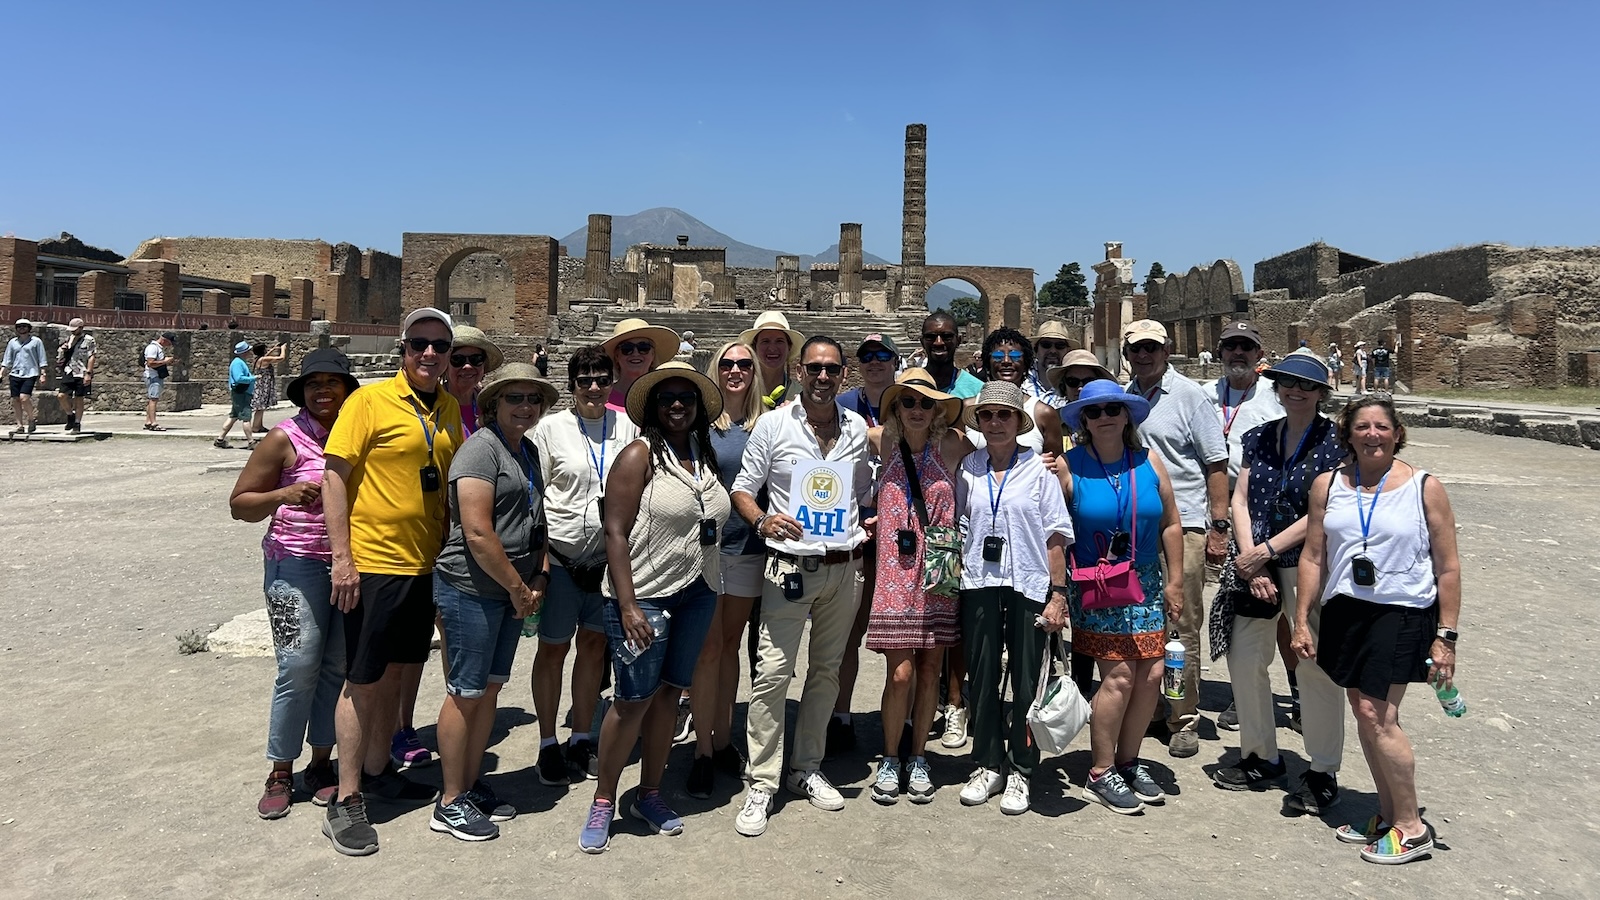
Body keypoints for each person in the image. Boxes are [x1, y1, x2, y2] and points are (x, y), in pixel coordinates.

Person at [1293, 395, 1461, 865]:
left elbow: (1447, 567)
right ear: (1347, 434)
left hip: (1402, 611)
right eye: (1362, 427)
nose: (1372, 434)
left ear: (1397, 433)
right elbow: (1314, 555)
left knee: (1376, 714)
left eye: (1381, 427)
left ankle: (1411, 828)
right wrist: (1302, 617)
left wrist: (1446, 636)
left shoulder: (1424, 486)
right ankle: (1388, 815)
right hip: (1347, 610)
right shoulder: (1328, 485)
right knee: (1362, 707)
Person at [320, 307, 461, 856]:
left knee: (397, 675)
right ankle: (347, 798)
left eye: (440, 346)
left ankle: (378, 771)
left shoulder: (448, 409)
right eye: (419, 344)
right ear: (403, 348)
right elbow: (334, 477)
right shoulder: (368, 401)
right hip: (375, 564)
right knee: (362, 679)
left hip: (425, 566)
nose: (430, 354)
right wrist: (342, 559)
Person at [580, 361, 730, 853]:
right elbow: (615, 530)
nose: (677, 406)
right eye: (667, 398)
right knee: (631, 701)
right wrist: (627, 605)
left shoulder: (700, 453)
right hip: (645, 593)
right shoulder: (639, 455)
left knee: (669, 694)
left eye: (686, 398)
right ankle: (604, 797)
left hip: (698, 590)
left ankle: (649, 792)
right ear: (652, 407)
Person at [729, 336, 873, 838]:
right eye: (814, 368)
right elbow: (743, 489)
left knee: (827, 671)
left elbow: (859, 494)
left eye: (832, 369)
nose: (823, 377)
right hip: (789, 566)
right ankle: (763, 780)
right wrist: (765, 521)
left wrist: (865, 522)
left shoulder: (856, 428)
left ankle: (806, 766)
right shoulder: (773, 424)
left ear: (844, 374)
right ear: (797, 371)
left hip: (843, 565)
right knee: (772, 671)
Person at [229, 348, 362, 821]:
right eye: (313, 383)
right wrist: (282, 493)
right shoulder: (284, 438)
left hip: (352, 565)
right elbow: (240, 503)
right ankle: (281, 767)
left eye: (333, 382)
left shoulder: (359, 433)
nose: (323, 390)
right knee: (298, 662)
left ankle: (321, 763)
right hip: (295, 563)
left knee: (336, 664)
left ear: (348, 388)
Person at [1212, 351, 1347, 816]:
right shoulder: (1259, 437)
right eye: (1287, 382)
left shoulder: (1335, 442)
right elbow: (1242, 497)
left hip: (1308, 563)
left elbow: (1323, 511)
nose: (1296, 390)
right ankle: (1260, 754)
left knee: (1312, 663)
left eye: (1306, 385)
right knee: (1246, 656)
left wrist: (1265, 553)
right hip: (1257, 566)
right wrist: (1252, 560)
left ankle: (1323, 768)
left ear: (1320, 393)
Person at [430, 363, 556, 842]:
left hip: (508, 591)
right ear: (493, 405)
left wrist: (538, 574)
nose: (525, 407)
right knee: (465, 693)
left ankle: (467, 784)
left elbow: (534, 519)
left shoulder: (527, 451)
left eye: (532, 399)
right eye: (514, 399)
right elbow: (478, 532)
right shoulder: (480, 451)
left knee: (491, 690)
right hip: (473, 589)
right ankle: (448, 802)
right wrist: (518, 588)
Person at [1056, 379, 1184, 814]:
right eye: (1094, 412)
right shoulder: (1068, 467)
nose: (1105, 417)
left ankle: (1129, 760)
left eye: (1113, 408)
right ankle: (1101, 768)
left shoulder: (1149, 461)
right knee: (1120, 676)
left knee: (1152, 673)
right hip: (1097, 582)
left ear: (1126, 414)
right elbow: (1052, 532)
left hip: (1145, 579)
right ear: (1084, 422)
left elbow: (1170, 523)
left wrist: (1176, 581)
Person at [953, 380, 1071, 815]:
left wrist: (1058, 595)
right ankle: (986, 761)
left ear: (1019, 422)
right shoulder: (969, 468)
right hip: (980, 582)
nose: (996, 422)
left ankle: (1021, 767)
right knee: (982, 676)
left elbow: (1056, 534)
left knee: (1026, 677)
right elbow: (960, 520)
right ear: (979, 423)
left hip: (1029, 582)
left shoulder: (1039, 470)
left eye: (1005, 415)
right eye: (987, 415)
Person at [530, 345, 640, 786]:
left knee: (594, 649)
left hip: (607, 561)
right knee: (553, 649)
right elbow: (534, 498)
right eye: (584, 380)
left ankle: (580, 735)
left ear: (612, 380)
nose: (593, 387)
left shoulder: (628, 427)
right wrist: (539, 561)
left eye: (601, 379)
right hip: (561, 557)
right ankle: (545, 741)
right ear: (571, 385)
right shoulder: (549, 430)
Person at [1123, 319, 1228, 758]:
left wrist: (1218, 527)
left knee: (1180, 622)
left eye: (1152, 348)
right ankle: (1149, 708)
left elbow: (1216, 463)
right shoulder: (1124, 396)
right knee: (1144, 619)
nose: (1144, 356)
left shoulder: (1190, 396)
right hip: (1137, 526)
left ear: (1166, 351)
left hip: (1183, 524)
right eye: (1137, 349)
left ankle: (1183, 716)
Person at [867, 369, 968, 805]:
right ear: (895, 408)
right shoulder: (881, 443)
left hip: (938, 572)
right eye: (908, 402)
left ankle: (918, 755)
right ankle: (891, 756)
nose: (917, 410)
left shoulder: (952, 445)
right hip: (894, 575)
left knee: (930, 672)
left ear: (938, 410)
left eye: (927, 403)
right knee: (901, 672)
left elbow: (1010, 442)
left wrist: (1049, 457)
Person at [686, 341, 767, 798]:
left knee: (730, 645)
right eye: (727, 363)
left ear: (754, 373)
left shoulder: (767, 425)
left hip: (749, 546)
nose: (735, 370)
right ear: (715, 369)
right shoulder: (699, 425)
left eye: (744, 364)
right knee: (708, 648)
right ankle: (701, 749)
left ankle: (721, 740)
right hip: (705, 548)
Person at [1205, 321, 1292, 732]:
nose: (1237, 353)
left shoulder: (1277, 402)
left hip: (1262, 517)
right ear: (1219, 352)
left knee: (1282, 613)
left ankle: (1299, 694)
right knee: (1237, 611)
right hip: (1208, 511)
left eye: (1246, 346)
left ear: (1259, 354)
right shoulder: (1204, 396)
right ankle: (1245, 694)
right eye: (1230, 346)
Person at [831, 333, 901, 754]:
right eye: (866, 355)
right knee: (847, 631)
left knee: (903, 633)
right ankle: (840, 714)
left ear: (894, 359)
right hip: (853, 528)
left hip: (899, 533)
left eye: (881, 355)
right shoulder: (840, 407)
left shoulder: (911, 400)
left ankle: (905, 718)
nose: (874, 361)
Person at [1043, 349, 1116, 696]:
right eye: (1073, 381)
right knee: (1059, 603)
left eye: (1088, 381)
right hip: (1059, 525)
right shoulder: (1052, 420)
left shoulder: (1109, 418)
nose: (1079, 387)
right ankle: (1063, 684)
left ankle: (1096, 687)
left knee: (1096, 605)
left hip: (1094, 524)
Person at [964, 327, 1064, 456]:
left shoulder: (1043, 413)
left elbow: (1057, 467)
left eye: (1015, 356)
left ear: (1026, 364)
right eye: (998, 356)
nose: (1006, 361)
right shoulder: (967, 408)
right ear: (988, 363)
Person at [603, 318, 678, 413]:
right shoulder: (602, 397)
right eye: (627, 348)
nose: (635, 353)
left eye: (643, 348)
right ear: (617, 356)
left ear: (653, 355)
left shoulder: (666, 396)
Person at [739, 310, 804, 409]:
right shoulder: (739, 392)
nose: (772, 348)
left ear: (789, 347)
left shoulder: (800, 396)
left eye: (779, 341)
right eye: (765, 341)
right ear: (754, 347)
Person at [918, 311, 984, 400]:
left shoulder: (978, 391)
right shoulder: (908, 387)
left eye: (947, 336)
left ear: (958, 341)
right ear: (922, 342)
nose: (938, 342)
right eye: (930, 337)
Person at [3, 318, 47, 435]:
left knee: (24, 398)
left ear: (29, 328)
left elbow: (42, 358)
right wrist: (2, 371)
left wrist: (43, 373)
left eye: (24, 326)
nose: (21, 328)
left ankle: (32, 419)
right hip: (15, 373)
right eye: (19, 326)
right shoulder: (13, 342)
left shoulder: (36, 341)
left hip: (30, 373)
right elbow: (7, 359)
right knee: (16, 399)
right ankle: (19, 425)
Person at [55, 318, 96, 434]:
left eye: (75, 329)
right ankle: (70, 415)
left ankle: (77, 423)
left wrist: (89, 373)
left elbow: (91, 356)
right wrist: (63, 350)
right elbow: (60, 354)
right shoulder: (69, 339)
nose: (72, 331)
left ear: (81, 328)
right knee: (61, 396)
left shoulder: (89, 340)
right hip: (69, 371)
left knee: (79, 398)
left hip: (82, 372)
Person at [216, 341, 259, 450]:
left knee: (233, 416)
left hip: (241, 393)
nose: (250, 352)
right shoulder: (238, 363)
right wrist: (253, 378)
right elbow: (239, 378)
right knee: (246, 417)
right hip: (242, 393)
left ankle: (220, 439)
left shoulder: (239, 362)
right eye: (248, 351)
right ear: (245, 352)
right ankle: (251, 441)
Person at [1025, 320, 1076, 410]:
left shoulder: (1075, 383)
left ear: (1067, 351)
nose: (1053, 351)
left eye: (1059, 345)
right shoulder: (1021, 379)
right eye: (1046, 345)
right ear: (1036, 350)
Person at [249, 341, 289, 435]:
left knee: (262, 407)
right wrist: (283, 349)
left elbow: (266, 355)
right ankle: (255, 427)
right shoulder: (264, 360)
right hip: (263, 385)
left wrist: (274, 349)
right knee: (260, 407)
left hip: (261, 384)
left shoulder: (258, 359)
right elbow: (281, 358)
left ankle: (259, 425)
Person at [143, 331, 180, 431]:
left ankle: (148, 421)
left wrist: (168, 362)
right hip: (153, 376)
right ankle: (153, 423)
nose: (170, 345)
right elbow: (150, 363)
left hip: (156, 376)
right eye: (169, 343)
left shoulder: (158, 348)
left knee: (152, 399)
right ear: (164, 340)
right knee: (153, 399)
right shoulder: (153, 348)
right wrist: (165, 361)